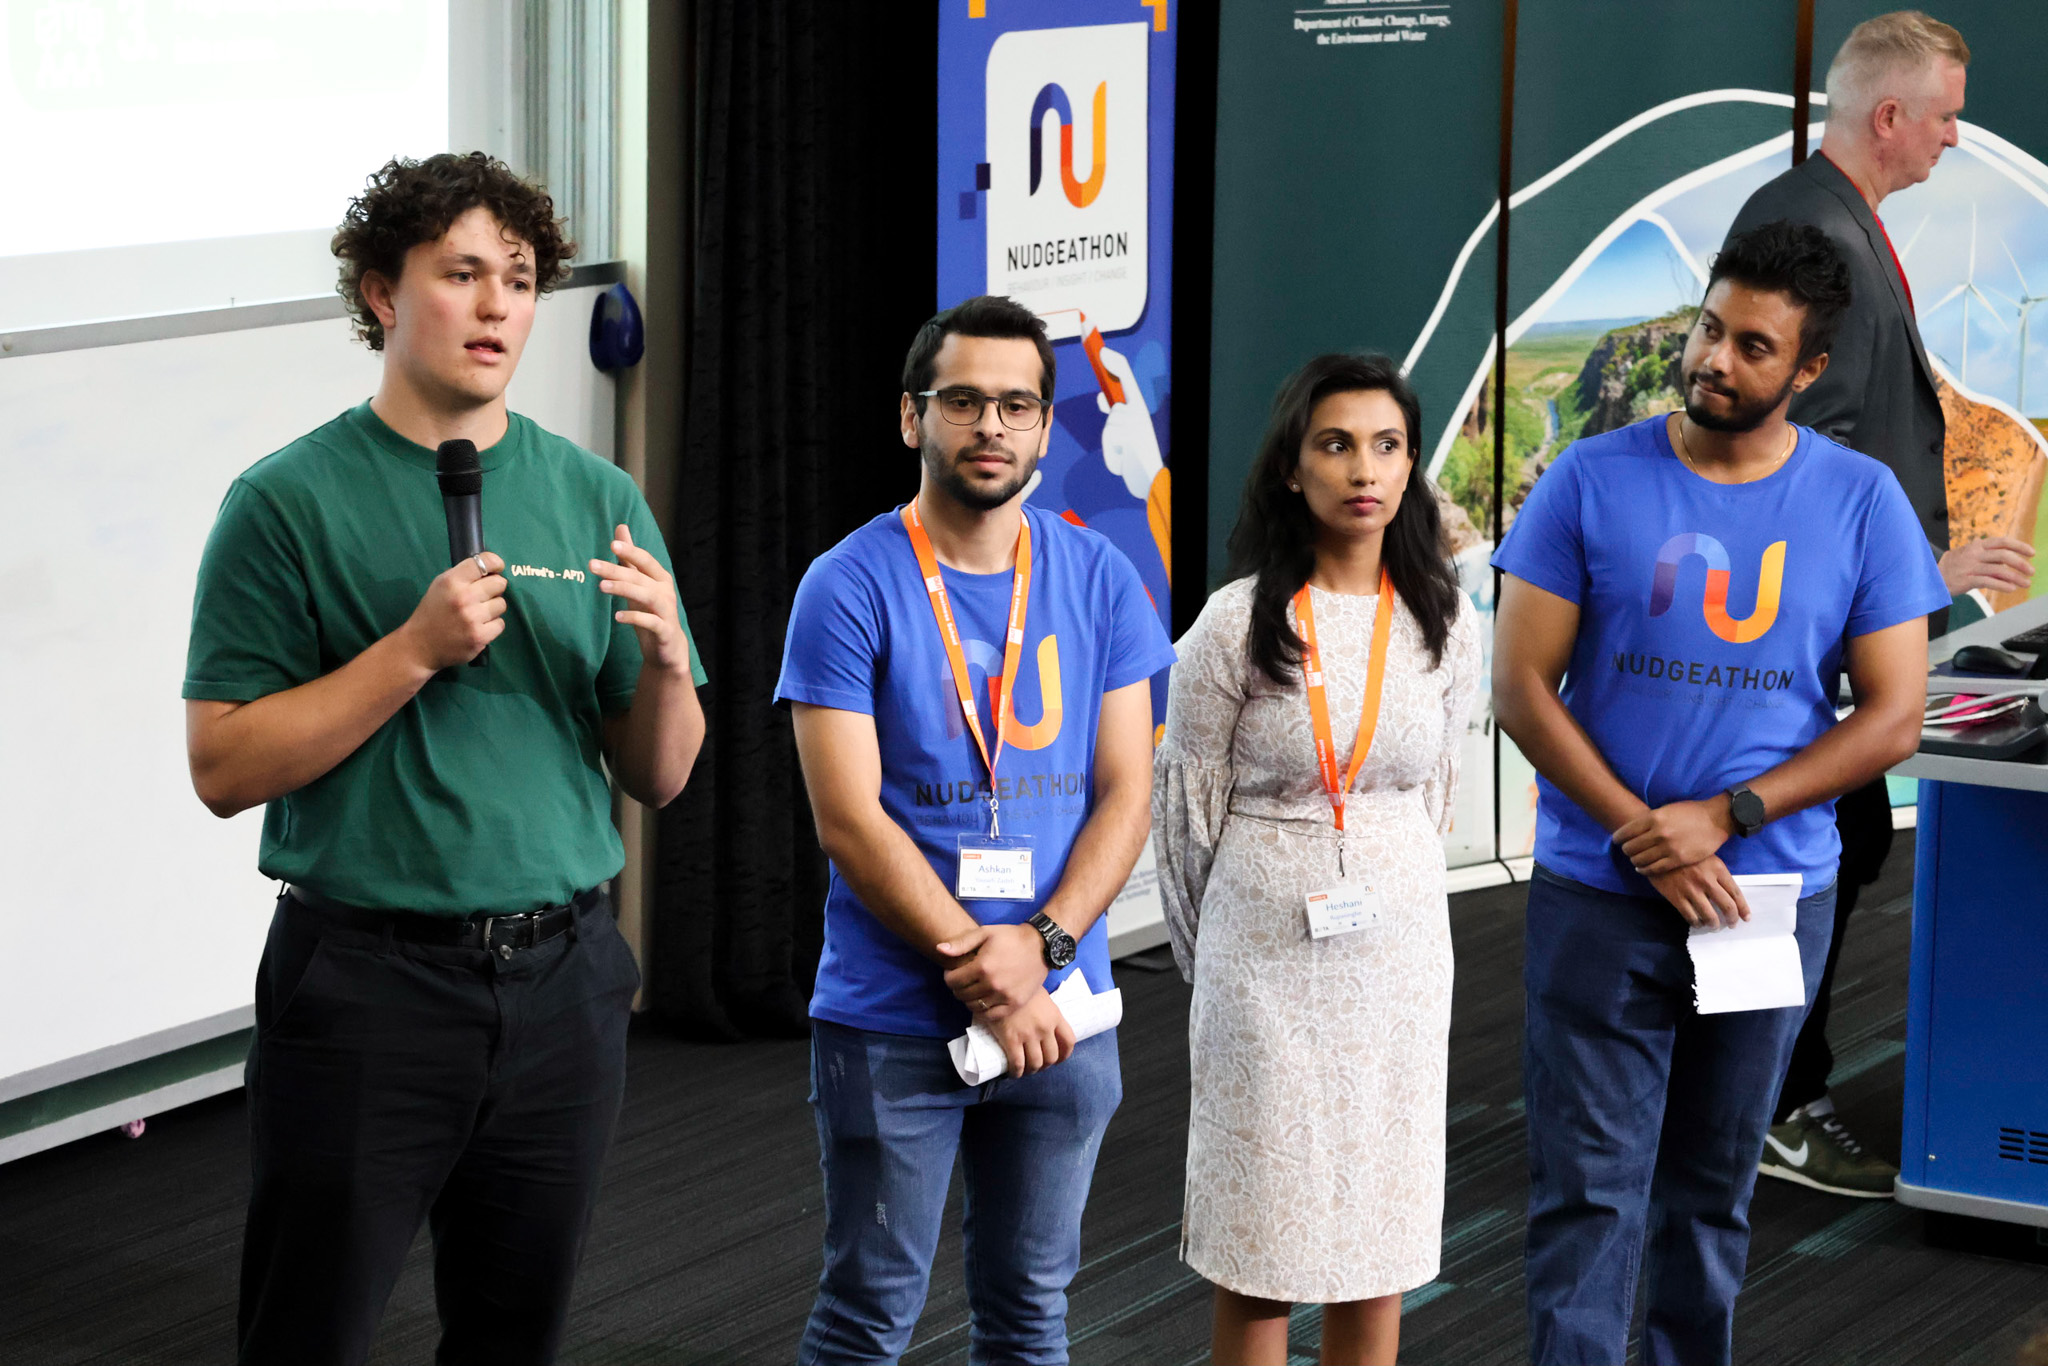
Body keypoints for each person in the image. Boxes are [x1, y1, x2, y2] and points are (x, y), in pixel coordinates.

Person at [183, 152, 707, 1366]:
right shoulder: (285, 501)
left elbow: (660, 773)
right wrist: (411, 651)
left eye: (517, 280)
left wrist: (671, 665)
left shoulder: (594, 494)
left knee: (514, 1334)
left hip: (565, 981)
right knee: (309, 1332)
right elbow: (221, 765)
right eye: (460, 273)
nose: (495, 306)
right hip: (367, 986)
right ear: (381, 292)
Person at [1491, 220, 1948, 1366]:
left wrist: (1727, 816)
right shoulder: (1589, 478)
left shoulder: (1860, 501)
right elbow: (1519, 687)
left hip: (1762, 901)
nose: (1712, 360)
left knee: (1709, 1192)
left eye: (1752, 347)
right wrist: (1639, 832)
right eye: (1708, 329)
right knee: (1584, 1194)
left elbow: (1891, 715)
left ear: (1806, 370)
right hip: (1597, 895)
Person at [774, 294, 1175, 1364]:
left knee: (1030, 1313)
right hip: (891, 1017)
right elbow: (847, 819)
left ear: (1044, 425)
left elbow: (1126, 793)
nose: (990, 425)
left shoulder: (1099, 577)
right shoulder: (846, 585)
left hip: (1062, 1014)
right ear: (912, 416)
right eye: (962, 401)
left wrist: (1039, 948)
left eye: (1016, 404)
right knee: (867, 1317)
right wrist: (986, 966)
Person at [1727, 8, 2033, 1199]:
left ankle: (1759, 1092)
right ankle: (1766, 1102)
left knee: (1835, 846)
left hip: (1823, 627)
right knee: (1816, 850)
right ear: (1890, 114)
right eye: (1945, 116)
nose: (1954, 137)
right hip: (1804, 637)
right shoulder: (1814, 233)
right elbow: (1798, 454)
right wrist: (1921, 576)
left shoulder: (1821, 218)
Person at [1155, 354, 1480, 1366]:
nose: (1362, 469)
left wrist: (1383, 873)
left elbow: (1437, 790)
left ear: (1411, 465)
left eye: (1386, 445)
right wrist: (1216, 959)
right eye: (1335, 445)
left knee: (1378, 1234)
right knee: (1260, 1239)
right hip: (1262, 965)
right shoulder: (1232, 623)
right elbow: (1185, 820)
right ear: (1293, 468)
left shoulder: (1445, 618)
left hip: (1397, 959)